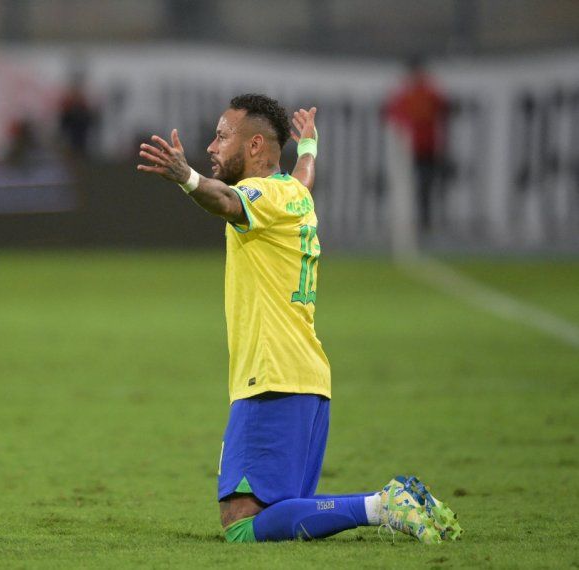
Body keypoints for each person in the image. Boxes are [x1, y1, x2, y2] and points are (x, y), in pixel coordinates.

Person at [136, 94, 462, 544]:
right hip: (308, 381)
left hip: (270, 380)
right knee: (286, 514)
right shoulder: (293, 193)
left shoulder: (259, 194)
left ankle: (383, 505)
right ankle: (396, 505)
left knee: (241, 524)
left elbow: (227, 202)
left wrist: (185, 176)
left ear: (254, 147)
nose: (211, 146)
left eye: (221, 136)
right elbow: (303, 179)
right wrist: (308, 149)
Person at [386, 58, 447, 231]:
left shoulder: (426, 92)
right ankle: (414, 221)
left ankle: (424, 221)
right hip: (411, 148)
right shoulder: (410, 93)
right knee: (417, 185)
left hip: (428, 147)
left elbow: (443, 108)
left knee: (426, 185)